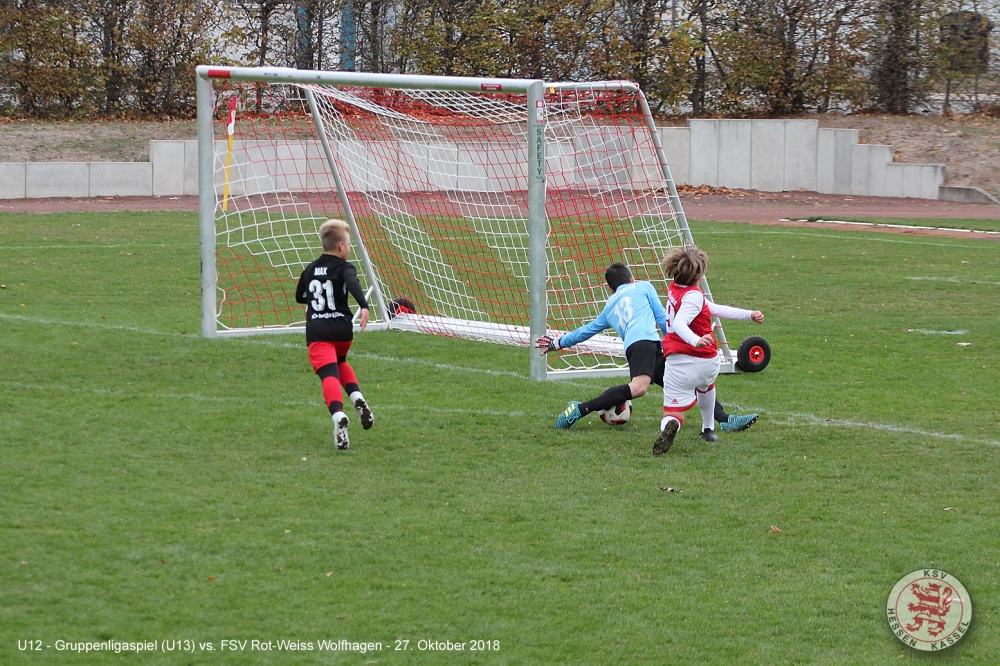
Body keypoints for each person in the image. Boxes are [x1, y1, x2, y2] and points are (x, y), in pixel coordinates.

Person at [653, 246, 764, 456]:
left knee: (673, 412)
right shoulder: (694, 296)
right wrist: (696, 340)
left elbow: (711, 308)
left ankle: (671, 425)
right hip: (706, 361)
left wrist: (748, 314)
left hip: (678, 363)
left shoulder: (674, 289)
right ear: (699, 275)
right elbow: (679, 323)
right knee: (706, 386)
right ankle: (708, 429)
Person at [295, 219, 375, 450]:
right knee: (340, 361)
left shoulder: (310, 269)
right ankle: (356, 396)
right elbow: (352, 283)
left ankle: (338, 415)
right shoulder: (344, 267)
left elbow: (300, 296)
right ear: (341, 246)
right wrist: (364, 305)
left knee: (328, 373)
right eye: (348, 244)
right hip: (342, 329)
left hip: (319, 331)